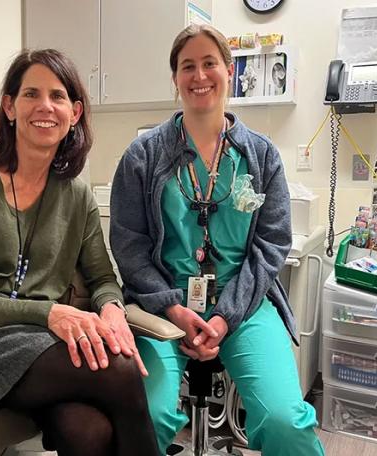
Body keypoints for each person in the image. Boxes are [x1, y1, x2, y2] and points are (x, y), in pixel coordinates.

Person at [0, 49, 159, 456]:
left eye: (58, 96)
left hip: (29, 339)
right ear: (9, 107)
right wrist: (50, 314)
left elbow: (102, 277)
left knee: (88, 431)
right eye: (31, 94)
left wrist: (112, 308)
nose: (45, 107)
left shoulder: (76, 194)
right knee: (120, 369)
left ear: (74, 113)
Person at [110, 24, 325, 456]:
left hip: (243, 306)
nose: (199, 75)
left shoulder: (261, 155)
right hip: (161, 309)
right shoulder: (143, 155)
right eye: (187, 66)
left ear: (229, 70)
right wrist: (172, 306)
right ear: (175, 78)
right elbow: (129, 247)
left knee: (286, 421)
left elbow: (271, 245)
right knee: (145, 415)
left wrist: (225, 317)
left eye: (210, 63)